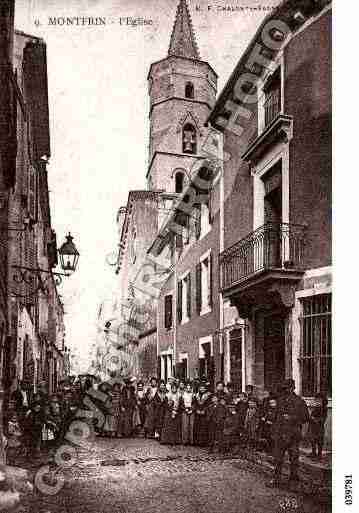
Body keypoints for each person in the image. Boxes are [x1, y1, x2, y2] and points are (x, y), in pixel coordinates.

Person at [267, 379, 309, 489]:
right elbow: (275, 416)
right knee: (278, 459)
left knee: (294, 459)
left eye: (287, 388)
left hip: (293, 435)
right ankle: (276, 480)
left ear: (292, 388)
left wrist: (292, 418)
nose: (285, 390)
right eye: (284, 388)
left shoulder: (299, 401)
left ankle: (293, 483)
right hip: (280, 434)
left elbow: (305, 418)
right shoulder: (280, 400)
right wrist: (274, 430)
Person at [308, 392, 328, 460]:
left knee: (319, 441)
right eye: (316, 399)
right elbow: (311, 416)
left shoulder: (324, 409)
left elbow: (323, 419)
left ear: (323, 400)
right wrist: (311, 416)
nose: (317, 401)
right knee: (312, 440)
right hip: (313, 427)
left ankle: (319, 455)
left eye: (319, 400)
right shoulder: (315, 408)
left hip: (319, 427)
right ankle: (314, 453)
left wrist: (315, 419)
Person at [193, 381, 212, 447]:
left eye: (203, 388)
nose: (202, 389)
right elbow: (194, 404)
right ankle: (197, 442)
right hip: (197, 414)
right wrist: (196, 410)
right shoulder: (196, 395)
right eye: (200, 388)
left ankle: (203, 442)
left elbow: (209, 405)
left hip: (204, 414)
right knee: (197, 427)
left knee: (203, 428)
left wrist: (204, 410)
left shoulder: (208, 396)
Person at [244, 386, 259, 451]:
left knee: (254, 436)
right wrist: (245, 423)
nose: (250, 404)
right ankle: (249, 446)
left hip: (254, 424)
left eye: (252, 403)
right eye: (249, 403)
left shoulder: (256, 410)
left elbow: (257, 418)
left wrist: (257, 425)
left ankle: (255, 446)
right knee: (248, 435)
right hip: (249, 424)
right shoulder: (248, 410)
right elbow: (246, 418)